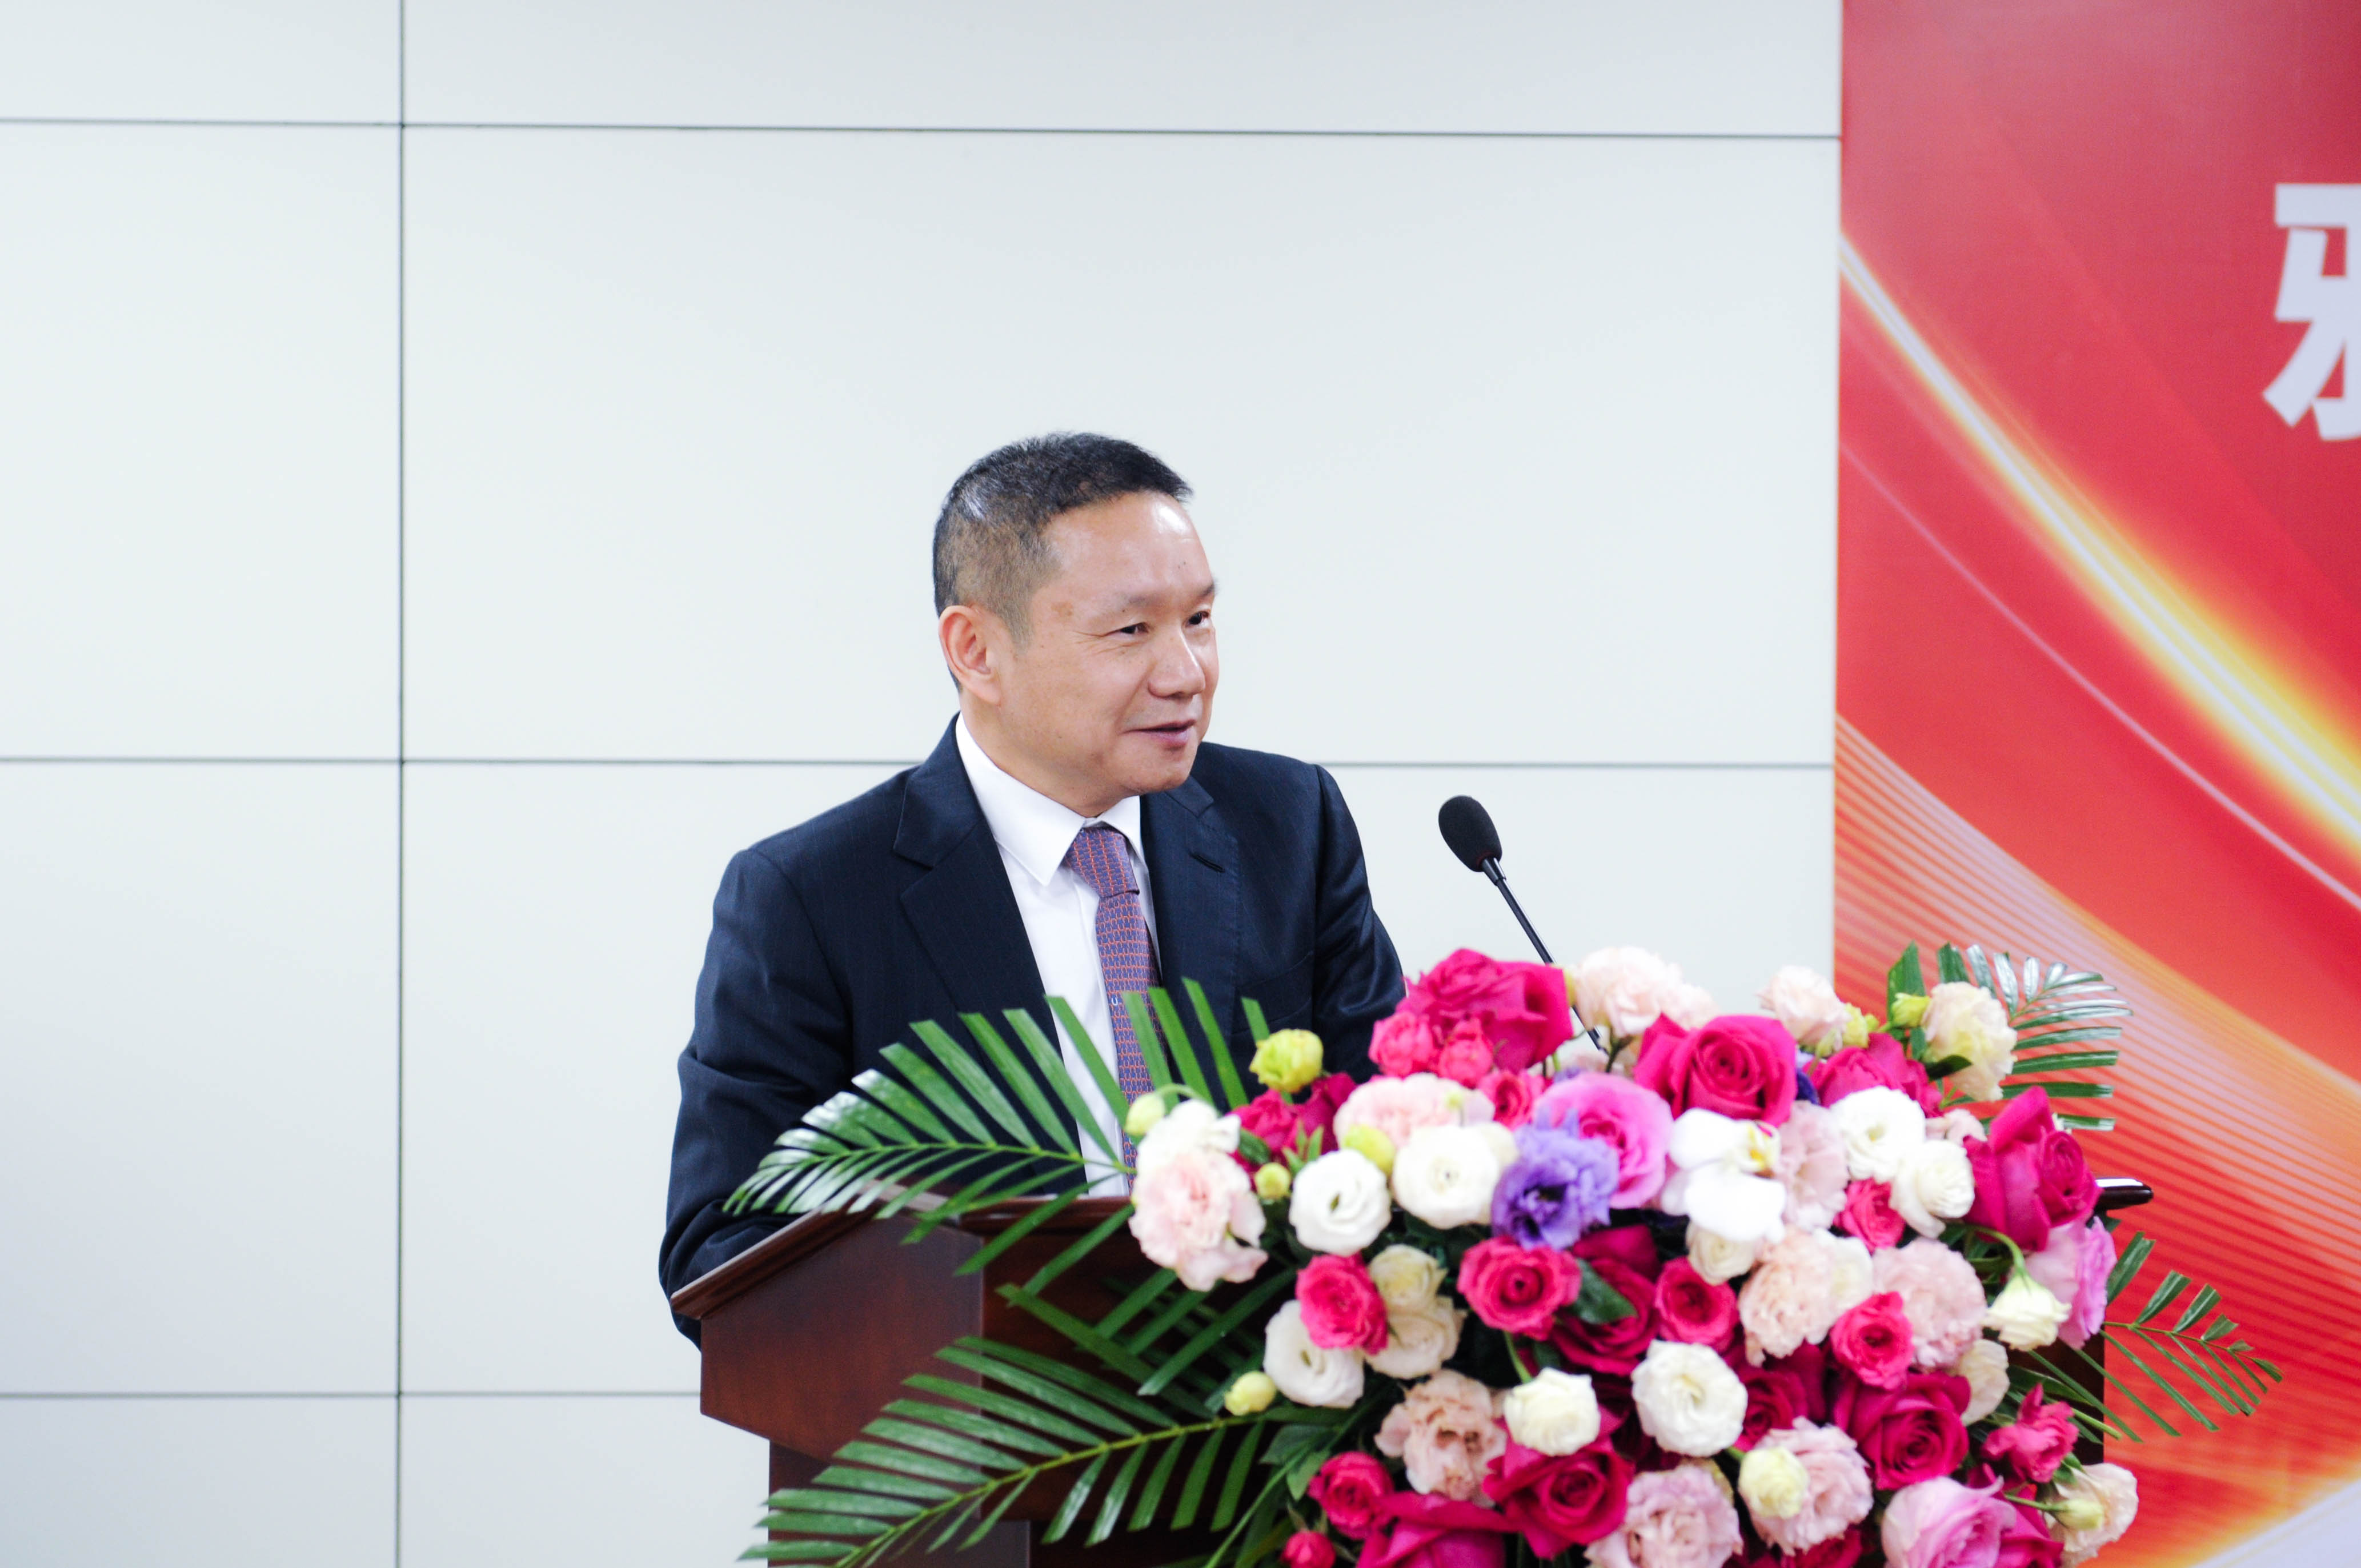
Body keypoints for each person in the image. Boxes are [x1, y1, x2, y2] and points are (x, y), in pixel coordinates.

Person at [660, 433, 1404, 1338]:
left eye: (1199, 619)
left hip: (1265, 1399)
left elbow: (1390, 1131)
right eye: (1130, 630)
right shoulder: (811, 897)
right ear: (975, 649)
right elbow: (721, 1250)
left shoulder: (1288, 824)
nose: (1186, 673)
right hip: (989, 1413)